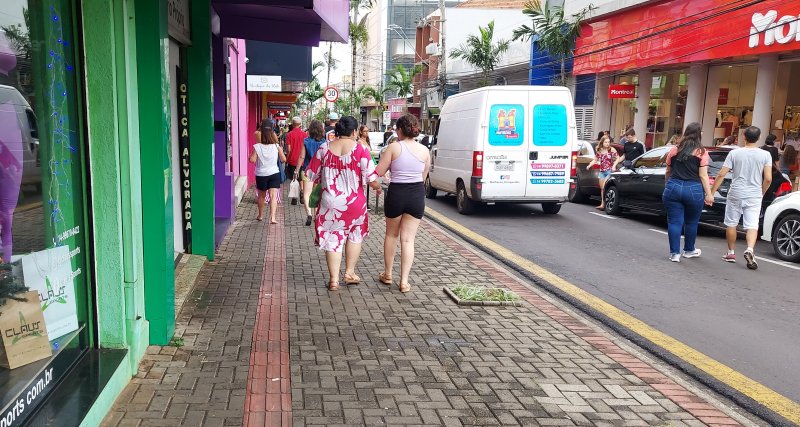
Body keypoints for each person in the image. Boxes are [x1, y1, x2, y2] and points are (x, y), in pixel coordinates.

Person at [305, 116, 382, 291]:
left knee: (333, 239)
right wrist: (379, 187)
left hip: (330, 202)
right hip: (355, 203)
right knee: (355, 235)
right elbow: (371, 178)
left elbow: (311, 174)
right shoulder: (361, 150)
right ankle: (349, 272)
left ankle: (333, 280)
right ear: (354, 132)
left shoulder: (324, 149)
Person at [373, 114, 431, 293]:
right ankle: (404, 282)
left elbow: (379, 171)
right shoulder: (424, 150)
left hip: (397, 192)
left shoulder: (393, 147)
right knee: (408, 239)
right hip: (416, 194)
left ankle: (388, 274)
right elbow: (423, 175)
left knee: (391, 235)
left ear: (399, 129)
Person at [710, 126, 772, 269]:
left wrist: (711, 193)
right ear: (759, 137)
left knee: (731, 222)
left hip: (736, 192)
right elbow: (768, 178)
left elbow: (721, 174)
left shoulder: (735, 153)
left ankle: (731, 253)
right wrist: (761, 193)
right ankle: (750, 249)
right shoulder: (765, 155)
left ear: (744, 136)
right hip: (754, 193)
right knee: (752, 225)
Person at [661, 123, 714, 262]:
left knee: (674, 222)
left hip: (673, 186)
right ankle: (689, 250)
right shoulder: (701, 152)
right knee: (691, 222)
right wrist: (709, 194)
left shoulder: (674, 150)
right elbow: (703, 175)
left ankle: (674, 254)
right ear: (699, 134)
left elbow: (668, 170)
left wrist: (668, 185)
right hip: (694, 189)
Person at [249, 119, 287, 223]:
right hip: (274, 173)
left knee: (261, 196)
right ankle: (273, 218)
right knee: (273, 196)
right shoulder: (276, 146)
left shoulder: (257, 147)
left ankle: (260, 215)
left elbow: (252, 160)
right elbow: (284, 159)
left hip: (261, 174)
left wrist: (251, 157)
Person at [301, 120, 327, 226]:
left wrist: (297, 169)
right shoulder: (324, 142)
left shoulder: (306, 141)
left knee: (306, 193)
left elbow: (302, 156)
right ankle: (316, 214)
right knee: (316, 194)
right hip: (320, 171)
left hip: (308, 170)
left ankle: (308, 213)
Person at [585, 136, 617, 210]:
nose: (607, 144)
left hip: (609, 171)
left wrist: (614, 165)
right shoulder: (599, 150)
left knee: (605, 186)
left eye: (608, 142)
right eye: (606, 142)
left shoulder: (611, 150)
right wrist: (589, 165)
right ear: (602, 142)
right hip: (602, 171)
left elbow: (617, 158)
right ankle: (602, 204)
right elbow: (595, 160)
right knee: (602, 188)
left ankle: (606, 203)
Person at [284, 117, 308, 206]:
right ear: (300, 124)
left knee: (294, 178)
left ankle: (294, 197)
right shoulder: (304, 135)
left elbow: (289, 149)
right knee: (301, 178)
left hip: (292, 160)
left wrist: (287, 158)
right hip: (302, 160)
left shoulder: (289, 134)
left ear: (293, 124)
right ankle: (302, 192)